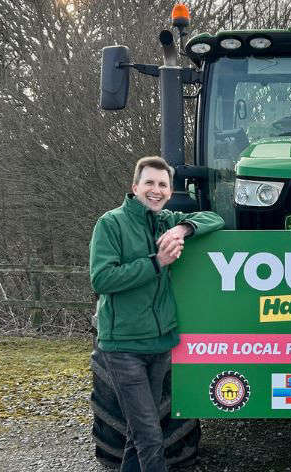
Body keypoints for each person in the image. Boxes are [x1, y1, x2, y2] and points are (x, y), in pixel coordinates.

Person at [89, 156, 224, 472]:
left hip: (159, 344)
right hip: (124, 347)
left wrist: (183, 228)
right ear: (135, 187)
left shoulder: (165, 220)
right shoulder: (111, 223)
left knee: (138, 435)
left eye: (163, 184)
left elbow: (214, 217)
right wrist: (157, 262)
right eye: (149, 182)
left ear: (170, 191)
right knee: (150, 437)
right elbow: (102, 279)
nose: (156, 190)